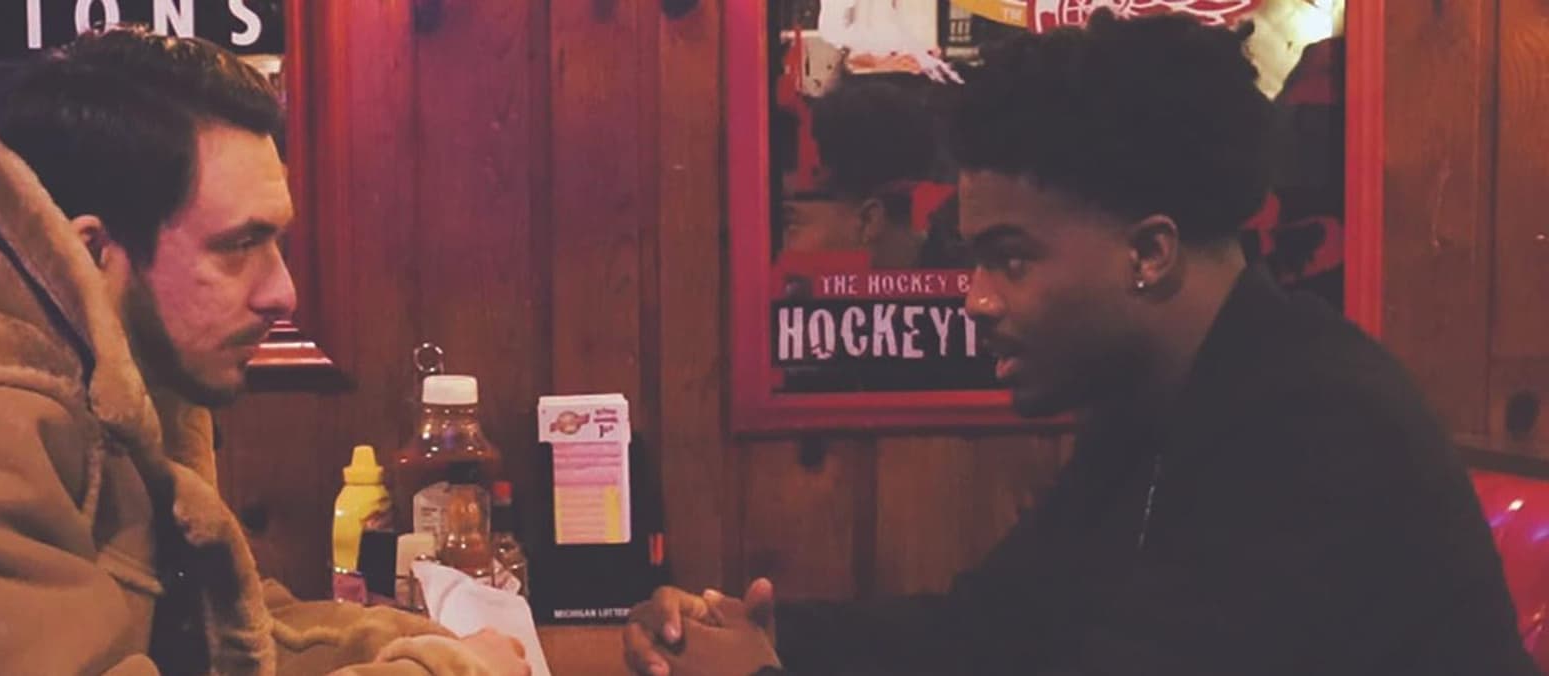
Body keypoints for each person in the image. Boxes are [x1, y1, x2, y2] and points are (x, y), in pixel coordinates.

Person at [626, 12, 1532, 676]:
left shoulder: (1318, 426)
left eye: (1010, 259)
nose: (976, 298)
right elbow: (993, 629)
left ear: (1149, 253)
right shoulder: (1161, 401)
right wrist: (761, 634)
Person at [0, 27, 527, 675]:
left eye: (279, 241)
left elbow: (228, 640)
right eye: (239, 246)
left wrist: (427, 644)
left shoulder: (85, 370)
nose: (283, 292)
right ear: (95, 250)